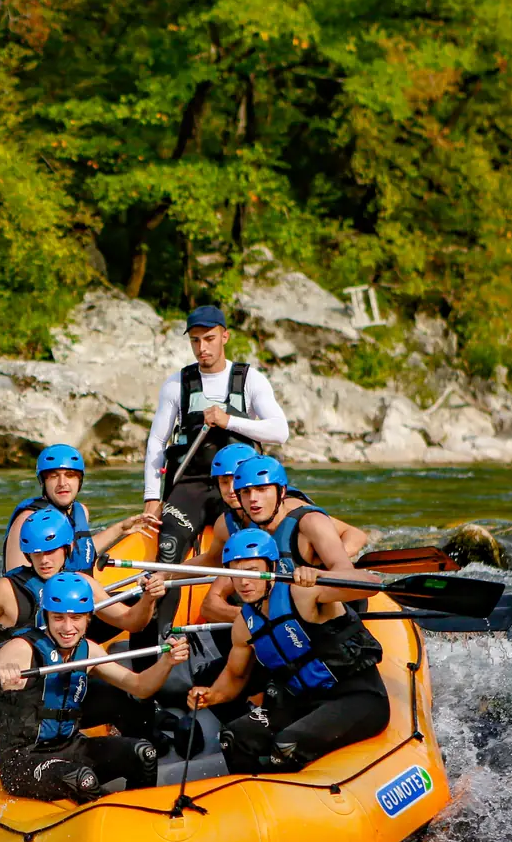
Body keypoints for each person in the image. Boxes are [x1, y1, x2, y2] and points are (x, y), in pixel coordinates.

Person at [0, 573, 191, 803]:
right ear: (46, 617)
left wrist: (167, 663)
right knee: (82, 779)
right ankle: (107, 817)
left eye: (76, 618)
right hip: (23, 760)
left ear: (88, 618)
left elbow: (140, 687)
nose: (68, 628)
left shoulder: (88, 651)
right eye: (58, 618)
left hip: (69, 746)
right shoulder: (21, 650)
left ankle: (142, 816)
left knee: (143, 753)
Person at [185, 530, 391, 774]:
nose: (244, 583)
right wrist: (211, 695)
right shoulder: (244, 624)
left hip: (356, 696)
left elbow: (370, 586)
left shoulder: (303, 592)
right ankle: (253, 799)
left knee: (286, 745)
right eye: (236, 575)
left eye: (252, 573)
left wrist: (322, 576)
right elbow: (234, 676)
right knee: (235, 736)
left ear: (272, 567)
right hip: (303, 700)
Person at [140, 306, 290, 569]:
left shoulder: (250, 380)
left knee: (249, 551)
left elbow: (280, 431)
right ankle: (159, 603)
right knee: (168, 552)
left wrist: (228, 420)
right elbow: (156, 442)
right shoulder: (177, 384)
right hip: (190, 484)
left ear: (225, 337)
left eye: (209, 338)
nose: (202, 348)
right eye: (195, 341)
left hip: (240, 487)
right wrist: (152, 498)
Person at [0, 508, 166, 671]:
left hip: (62, 679)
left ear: (66, 549)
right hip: (18, 683)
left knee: (128, 706)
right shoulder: (5, 590)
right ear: (28, 555)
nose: (45, 560)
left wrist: (148, 598)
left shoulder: (81, 583)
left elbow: (131, 622)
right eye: (37, 553)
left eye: (51, 551)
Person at [202, 455, 369, 621]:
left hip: (328, 616)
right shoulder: (248, 537)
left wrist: (319, 573)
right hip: (283, 620)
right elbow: (210, 605)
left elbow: (346, 572)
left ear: (281, 492)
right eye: (245, 492)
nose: (253, 498)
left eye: (262, 489)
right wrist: (259, 618)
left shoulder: (311, 523)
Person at [0, 444, 153, 573]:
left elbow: (82, 554)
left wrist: (120, 529)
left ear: (79, 480)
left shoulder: (80, 511)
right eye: (53, 476)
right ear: (43, 482)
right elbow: (17, 583)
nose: (62, 483)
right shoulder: (28, 521)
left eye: (70, 475)